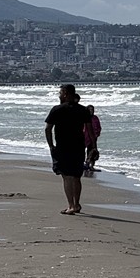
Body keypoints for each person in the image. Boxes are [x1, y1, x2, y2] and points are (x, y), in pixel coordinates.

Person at [45, 83, 92, 215]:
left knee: (66, 176)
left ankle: (71, 205)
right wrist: (93, 147)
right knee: (77, 176)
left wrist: (51, 145)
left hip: (63, 147)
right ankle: (77, 204)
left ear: (65, 93)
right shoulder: (83, 110)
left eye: (60, 93)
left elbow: (48, 129)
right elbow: (89, 131)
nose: (59, 95)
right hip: (79, 146)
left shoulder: (57, 109)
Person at [84, 104, 102, 172]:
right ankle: (84, 164)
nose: (92, 111)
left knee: (93, 151)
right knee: (82, 151)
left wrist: (97, 133)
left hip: (93, 138)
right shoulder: (84, 118)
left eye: (93, 110)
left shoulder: (95, 118)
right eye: (90, 110)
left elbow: (98, 126)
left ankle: (91, 165)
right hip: (85, 137)